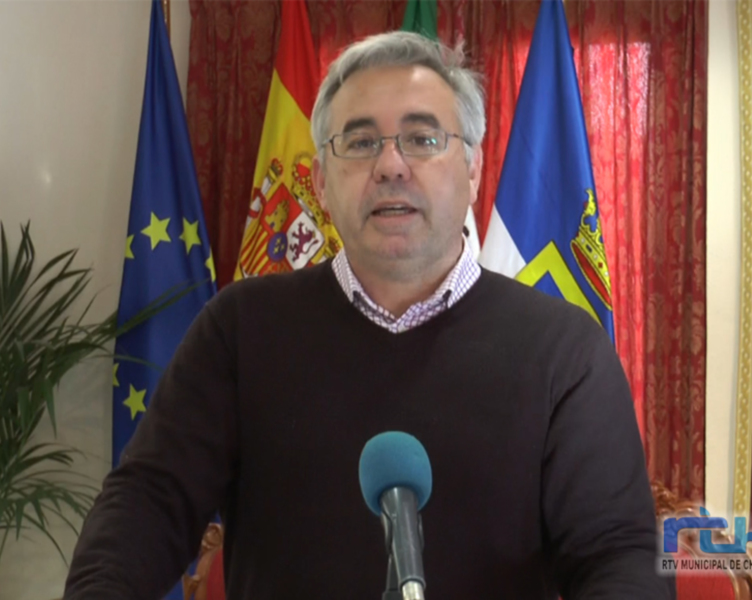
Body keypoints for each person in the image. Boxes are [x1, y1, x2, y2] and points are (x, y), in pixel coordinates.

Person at [64, 31, 672, 600]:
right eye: (359, 143)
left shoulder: (564, 351)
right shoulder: (240, 330)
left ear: (473, 170)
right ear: (321, 183)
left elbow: (616, 553)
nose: (390, 165)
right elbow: (148, 503)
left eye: (422, 138)